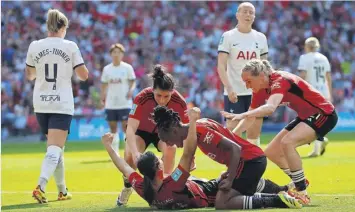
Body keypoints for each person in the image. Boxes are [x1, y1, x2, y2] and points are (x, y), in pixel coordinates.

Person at [104, 108, 301, 210]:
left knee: (223, 202)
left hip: (248, 161)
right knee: (229, 182)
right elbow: (193, 152)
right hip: (245, 162)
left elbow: (126, 169)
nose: (171, 145)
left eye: (167, 140)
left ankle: (278, 198)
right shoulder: (168, 181)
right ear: (157, 166)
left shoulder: (145, 188)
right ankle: (284, 190)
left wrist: (232, 176)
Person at [222, 59, 338, 205]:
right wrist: (233, 135)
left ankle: (302, 192)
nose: (247, 86)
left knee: (287, 143)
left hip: (324, 114)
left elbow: (270, 108)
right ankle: (299, 181)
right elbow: (252, 116)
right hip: (305, 116)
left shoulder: (279, 80)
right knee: (271, 151)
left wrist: (242, 115)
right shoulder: (260, 89)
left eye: (249, 81)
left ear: (261, 76)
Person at [25, 9, 89, 203]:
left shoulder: (35, 45)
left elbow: (30, 75)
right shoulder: (70, 46)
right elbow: (83, 75)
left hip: (41, 102)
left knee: (56, 148)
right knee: (54, 148)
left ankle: (62, 190)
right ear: (63, 27)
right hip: (61, 102)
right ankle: (41, 185)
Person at [103, 108, 216, 209]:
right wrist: (193, 121)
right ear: (159, 167)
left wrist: (109, 147)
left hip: (192, 185)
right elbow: (188, 153)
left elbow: (124, 167)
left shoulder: (142, 187)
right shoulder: (175, 182)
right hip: (209, 192)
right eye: (159, 159)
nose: (162, 159)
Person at [117, 64, 194, 206]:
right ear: (152, 90)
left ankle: (166, 191)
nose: (162, 100)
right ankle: (127, 187)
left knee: (171, 149)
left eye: (167, 96)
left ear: (172, 92)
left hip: (163, 132)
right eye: (158, 95)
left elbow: (189, 132)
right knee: (129, 154)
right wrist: (135, 153)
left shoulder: (180, 102)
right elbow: (130, 129)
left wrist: (192, 157)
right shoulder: (141, 98)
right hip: (141, 132)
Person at [217, 2, 268, 146]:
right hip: (235, 90)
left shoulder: (261, 38)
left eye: (251, 12)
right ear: (237, 15)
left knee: (254, 129)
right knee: (232, 129)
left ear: (254, 16)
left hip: (255, 91)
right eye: (245, 11)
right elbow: (221, 65)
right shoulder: (228, 36)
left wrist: (266, 89)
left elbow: (265, 66)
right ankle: (233, 163)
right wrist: (229, 87)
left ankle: (255, 161)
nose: (248, 15)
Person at [298, 37, 332, 157]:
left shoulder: (304, 58)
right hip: (324, 92)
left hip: (311, 92)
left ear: (307, 46)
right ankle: (319, 143)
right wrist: (330, 94)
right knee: (319, 120)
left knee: (309, 120)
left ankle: (318, 146)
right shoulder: (323, 58)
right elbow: (328, 77)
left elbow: (302, 75)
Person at [100, 43, 136, 156]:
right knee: (113, 129)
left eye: (118, 52)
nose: (116, 54)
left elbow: (132, 82)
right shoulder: (107, 69)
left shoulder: (127, 68)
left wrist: (131, 90)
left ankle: (128, 151)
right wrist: (103, 96)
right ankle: (115, 153)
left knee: (126, 128)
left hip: (124, 103)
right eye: (114, 52)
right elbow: (104, 84)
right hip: (111, 103)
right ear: (111, 54)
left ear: (122, 54)